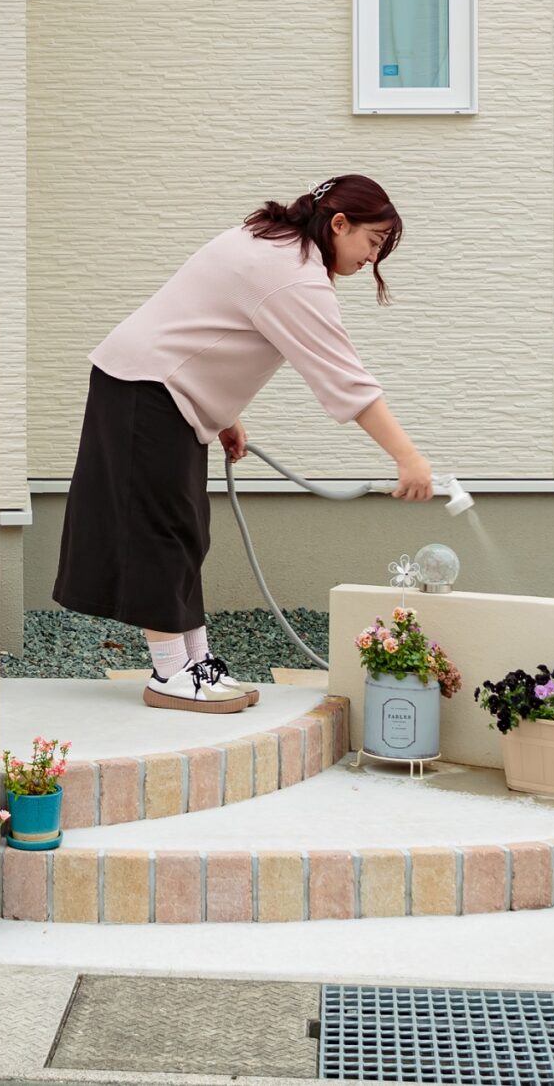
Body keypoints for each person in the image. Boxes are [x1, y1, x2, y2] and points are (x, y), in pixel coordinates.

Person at [54, 175, 439, 713]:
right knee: (162, 530)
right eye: (372, 243)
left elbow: (214, 322)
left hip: (155, 385)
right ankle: (170, 672)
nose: (371, 259)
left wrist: (227, 414)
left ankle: (195, 662)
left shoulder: (274, 241)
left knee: (187, 529)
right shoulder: (295, 276)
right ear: (339, 223)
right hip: (147, 387)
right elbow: (345, 378)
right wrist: (407, 457)